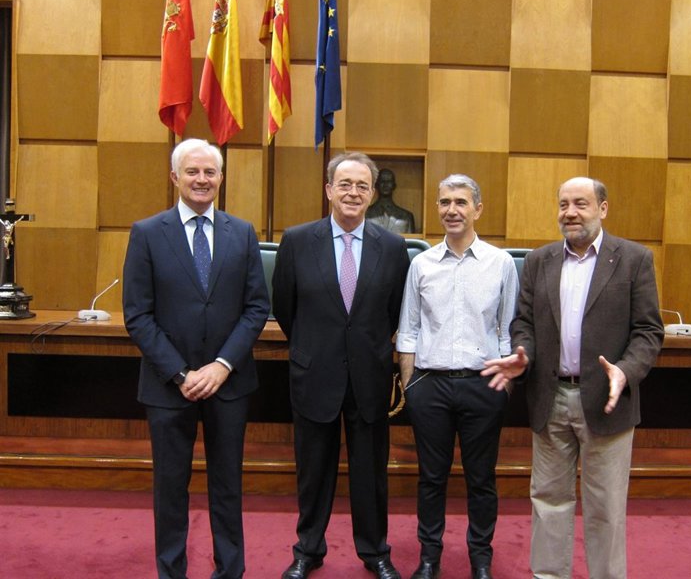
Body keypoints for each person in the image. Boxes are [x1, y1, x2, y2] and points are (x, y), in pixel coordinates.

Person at [483, 177, 664, 579]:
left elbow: (649, 331)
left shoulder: (633, 259)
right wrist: (523, 353)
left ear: (603, 209)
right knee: (548, 500)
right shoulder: (539, 260)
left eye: (581, 204)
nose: (570, 212)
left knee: (606, 507)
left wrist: (626, 371)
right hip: (551, 398)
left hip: (607, 401)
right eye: (563, 204)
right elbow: (523, 322)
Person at [122, 138, 271, 579]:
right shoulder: (147, 233)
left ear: (221, 178)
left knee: (228, 486)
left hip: (230, 384)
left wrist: (221, 365)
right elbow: (137, 315)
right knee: (171, 487)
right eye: (192, 172)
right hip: (169, 386)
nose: (201, 180)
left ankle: (230, 571)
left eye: (209, 172)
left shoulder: (242, 232)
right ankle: (171, 572)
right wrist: (181, 373)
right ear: (175, 177)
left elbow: (256, 308)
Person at [272, 152, 410, 579]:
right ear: (329, 189)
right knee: (313, 472)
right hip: (315, 373)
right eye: (345, 184)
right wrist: (316, 347)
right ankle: (308, 550)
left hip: (369, 376)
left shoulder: (393, 247)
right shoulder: (297, 241)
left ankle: (375, 552)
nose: (353, 192)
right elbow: (285, 308)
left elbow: (395, 311)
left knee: (371, 473)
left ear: (371, 194)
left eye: (362, 186)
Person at [396, 174, 518, 579]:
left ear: (477, 209)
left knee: (481, 479)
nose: (452, 210)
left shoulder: (501, 264)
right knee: (431, 478)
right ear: (437, 207)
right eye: (445, 202)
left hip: (484, 385)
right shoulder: (421, 264)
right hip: (429, 386)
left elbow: (507, 330)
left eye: (461, 202)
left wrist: (504, 385)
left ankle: (480, 559)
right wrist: (411, 386)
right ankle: (429, 558)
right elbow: (409, 330)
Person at [366, 168, 416, 234]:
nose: (385, 185)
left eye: (389, 181)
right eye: (382, 181)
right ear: (376, 185)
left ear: (394, 186)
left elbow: (411, 239)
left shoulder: (407, 217)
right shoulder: (365, 214)